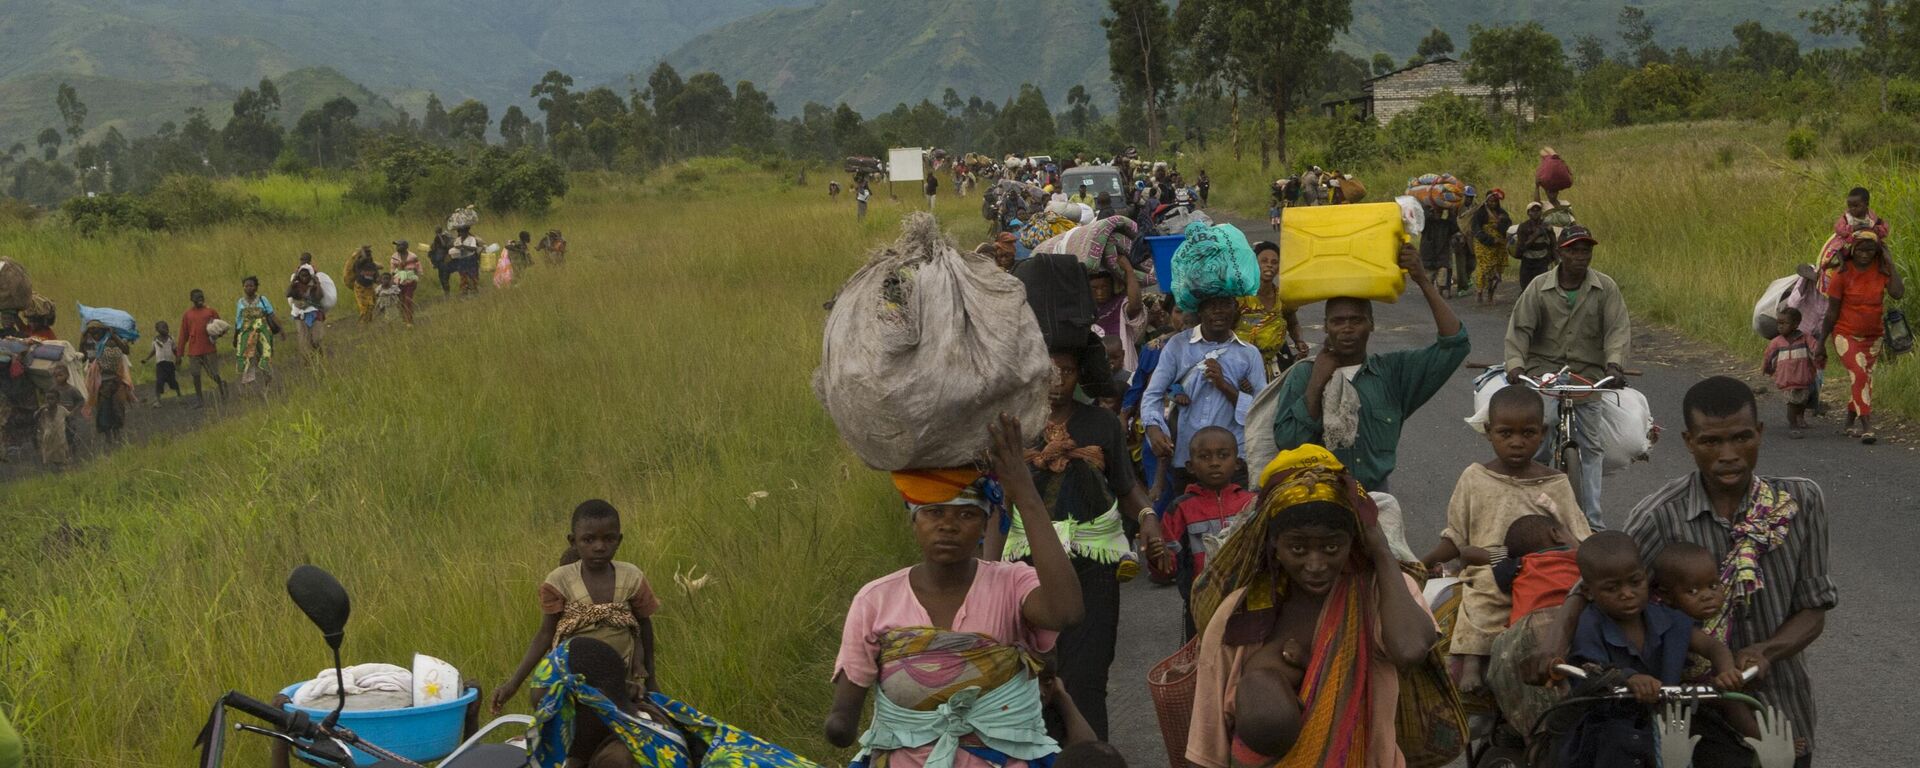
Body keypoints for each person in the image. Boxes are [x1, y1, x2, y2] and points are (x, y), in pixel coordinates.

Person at [1530, 376, 1835, 768]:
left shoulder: (1799, 503)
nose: (1728, 454)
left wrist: (1764, 651)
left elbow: (1813, 607)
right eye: (1710, 442)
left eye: (1741, 438)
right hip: (1689, 718)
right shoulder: (1660, 515)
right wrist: (1554, 642)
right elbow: (1590, 585)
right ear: (1689, 441)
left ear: (1759, 433)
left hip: (1779, 706)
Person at [826, 415, 1085, 768]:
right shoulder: (875, 600)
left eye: (965, 515)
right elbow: (845, 708)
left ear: (985, 522)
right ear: (913, 519)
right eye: (933, 512)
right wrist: (839, 725)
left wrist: (1024, 491)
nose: (947, 525)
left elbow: (1066, 611)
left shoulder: (1011, 585)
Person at [1183, 445, 1440, 768]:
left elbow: (1410, 648)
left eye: (1332, 546)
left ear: (1353, 540)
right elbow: (1207, 741)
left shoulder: (1380, 594)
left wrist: (1382, 552)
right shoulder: (1240, 613)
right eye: (1298, 547)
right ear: (1274, 544)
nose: (1315, 564)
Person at [1002, 352, 1168, 740]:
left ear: (1081, 374)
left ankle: (1092, 757)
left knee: (1088, 674)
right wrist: (988, 565)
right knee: (1030, 674)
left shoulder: (1101, 423)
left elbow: (1126, 487)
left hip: (1093, 566)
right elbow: (997, 501)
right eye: (1049, 371)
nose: (1058, 380)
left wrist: (1148, 519)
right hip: (1028, 571)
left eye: (1068, 370)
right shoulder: (1015, 427)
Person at [1421, 386, 1590, 694]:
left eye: (1527, 433)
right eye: (1505, 433)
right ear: (1488, 432)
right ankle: (1474, 662)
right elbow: (1456, 537)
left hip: (1543, 570)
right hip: (1489, 566)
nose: (1516, 442)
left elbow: (1579, 535)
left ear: (1542, 432)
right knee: (1482, 592)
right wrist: (1422, 563)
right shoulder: (1474, 479)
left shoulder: (1556, 484)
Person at [1268, 243, 1467, 492]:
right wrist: (1317, 383)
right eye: (1338, 321)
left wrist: (1422, 280)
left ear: (1371, 324)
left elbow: (1455, 345)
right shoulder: (1304, 374)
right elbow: (1288, 443)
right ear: (1326, 327)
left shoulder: (1393, 373)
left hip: (1375, 496)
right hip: (1317, 498)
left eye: (1356, 320)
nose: (1347, 328)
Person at [1556, 531, 1745, 767]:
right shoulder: (1590, 624)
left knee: (1727, 753)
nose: (1627, 593)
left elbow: (1712, 646)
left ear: (1646, 578)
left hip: (1670, 718)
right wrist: (1630, 678)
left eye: (1635, 582)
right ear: (1588, 592)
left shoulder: (1669, 617)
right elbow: (1590, 670)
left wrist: (1726, 670)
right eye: (1612, 589)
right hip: (1612, 726)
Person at [1503, 224, 1631, 527]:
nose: (1581, 256)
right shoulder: (1538, 287)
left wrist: (1614, 365)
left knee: (1591, 445)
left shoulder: (1605, 288)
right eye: (1574, 250)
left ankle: (1593, 522)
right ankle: (1530, 510)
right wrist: (1515, 366)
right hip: (1544, 373)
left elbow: (1617, 330)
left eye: (1585, 250)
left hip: (1587, 376)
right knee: (1541, 435)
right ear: (1560, 252)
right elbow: (1520, 329)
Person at [527, 637, 816, 768]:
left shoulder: (617, 761)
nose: (544, 727)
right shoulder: (647, 713)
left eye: (553, 717)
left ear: (594, 708)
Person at [495, 500, 662, 715]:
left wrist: (651, 680)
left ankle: (619, 693)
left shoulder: (632, 577)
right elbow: (546, 634)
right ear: (573, 541)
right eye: (588, 539)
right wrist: (513, 684)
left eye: (608, 539)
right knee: (541, 696)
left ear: (619, 540)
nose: (599, 547)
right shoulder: (559, 581)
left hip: (619, 676)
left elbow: (644, 627)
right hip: (574, 674)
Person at [1141, 295, 1266, 487]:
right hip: (1188, 460)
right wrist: (1153, 427)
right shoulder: (1178, 346)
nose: (1218, 311)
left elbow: (1261, 409)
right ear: (1199, 310)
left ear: (1234, 310)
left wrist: (1224, 386)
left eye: (1225, 304)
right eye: (1211, 305)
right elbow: (1153, 393)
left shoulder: (1249, 354)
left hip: (1234, 462)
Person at [1652, 542, 1764, 741]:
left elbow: (1717, 650)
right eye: (1693, 591)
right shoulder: (1673, 620)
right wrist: (1726, 672)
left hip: (1708, 686)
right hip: (1676, 693)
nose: (1708, 596)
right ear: (1666, 596)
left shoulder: (1718, 616)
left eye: (1713, 586)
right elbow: (1713, 647)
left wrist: (1727, 672)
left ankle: (1759, 740)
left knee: (1733, 701)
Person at [1160, 426, 1255, 639]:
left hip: (1247, 598)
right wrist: (1158, 558)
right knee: (1203, 660)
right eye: (1204, 457)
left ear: (1237, 463)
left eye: (1223, 455)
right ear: (1191, 466)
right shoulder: (1181, 508)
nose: (1214, 463)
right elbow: (1168, 563)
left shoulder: (1251, 503)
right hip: (1201, 601)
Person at [1815, 231, 1905, 444]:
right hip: (1845, 334)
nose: (1865, 254)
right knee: (1859, 374)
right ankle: (1867, 426)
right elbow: (1831, 313)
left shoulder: (1881, 271)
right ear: (1853, 250)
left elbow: (1898, 293)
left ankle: (1848, 422)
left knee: (1864, 378)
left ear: (1877, 252)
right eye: (1861, 250)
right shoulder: (1842, 274)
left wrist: (1890, 263)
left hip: (1874, 337)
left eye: (1870, 250)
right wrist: (1820, 342)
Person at [1237, 241, 1309, 380]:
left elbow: (1292, 323)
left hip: (1276, 368)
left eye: (1274, 262)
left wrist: (1299, 341)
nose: (1269, 264)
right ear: (1253, 264)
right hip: (1242, 369)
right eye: (1264, 261)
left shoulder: (1283, 298)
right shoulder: (1240, 298)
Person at [1762, 306, 1816, 437]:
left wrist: (1819, 359)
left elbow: (1815, 349)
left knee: (1802, 400)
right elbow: (1768, 356)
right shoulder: (1776, 342)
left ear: (1796, 324)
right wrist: (1767, 369)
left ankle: (1800, 417)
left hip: (1803, 376)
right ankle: (1793, 426)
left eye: (1784, 323)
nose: (1780, 327)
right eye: (1778, 323)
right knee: (1792, 403)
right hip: (1787, 379)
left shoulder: (1805, 338)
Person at [1088, 267, 1144, 375]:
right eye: (1094, 288)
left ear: (1112, 286)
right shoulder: (1084, 309)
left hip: (1123, 370)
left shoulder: (1121, 303)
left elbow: (1136, 306)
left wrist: (1128, 269)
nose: (1099, 292)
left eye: (1104, 287)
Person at [179, 289, 226, 404]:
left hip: (209, 349)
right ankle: (199, 399)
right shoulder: (187, 315)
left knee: (213, 374)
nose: (200, 299)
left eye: (201, 296)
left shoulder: (211, 312)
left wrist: (218, 333)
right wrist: (179, 354)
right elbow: (183, 335)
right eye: (197, 297)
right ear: (191, 299)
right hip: (194, 351)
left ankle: (222, 387)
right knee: (195, 375)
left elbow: (221, 327)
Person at [85, 342, 136, 444]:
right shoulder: (96, 342)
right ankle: (109, 436)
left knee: (117, 408)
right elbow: (90, 358)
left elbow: (126, 350)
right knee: (104, 409)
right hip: (102, 384)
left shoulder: (115, 340)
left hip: (117, 381)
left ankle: (116, 434)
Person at [1470, 189, 1513, 304]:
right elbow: (1476, 230)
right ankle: (1479, 292)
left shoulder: (1502, 213)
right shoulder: (1480, 213)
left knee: (1496, 271)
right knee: (1484, 268)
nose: (1493, 203)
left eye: (1495, 201)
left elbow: (1508, 227)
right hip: (1484, 245)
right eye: (1491, 201)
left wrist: (1499, 224)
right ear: (1486, 200)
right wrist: (1491, 240)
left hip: (1499, 246)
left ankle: (1490, 295)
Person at [234, 277, 276, 387]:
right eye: (246, 286)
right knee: (247, 357)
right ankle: (248, 384)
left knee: (265, 355)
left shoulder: (263, 300)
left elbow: (271, 314)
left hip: (262, 332)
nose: (248, 288)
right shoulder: (240, 302)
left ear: (256, 287)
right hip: (247, 333)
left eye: (251, 285)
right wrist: (236, 336)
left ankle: (268, 379)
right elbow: (238, 320)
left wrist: (281, 330)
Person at [1513, 202, 1556, 289]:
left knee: (1541, 288)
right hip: (1528, 261)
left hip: (1542, 261)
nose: (1535, 212)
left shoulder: (1546, 226)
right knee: (1526, 288)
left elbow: (1553, 243)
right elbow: (1521, 248)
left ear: (1541, 212)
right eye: (1533, 210)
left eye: (1538, 210)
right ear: (1528, 213)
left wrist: (1554, 258)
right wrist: (1536, 235)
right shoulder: (1523, 227)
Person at [285, 271, 327, 356]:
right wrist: (293, 282)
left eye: (306, 276)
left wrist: (318, 283)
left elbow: (320, 296)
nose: (304, 278)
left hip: (315, 314)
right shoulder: (296, 286)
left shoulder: (314, 287)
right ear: (299, 277)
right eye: (302, 276)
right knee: (303, 339)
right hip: (300, 315)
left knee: (316, 339)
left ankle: (320, 355)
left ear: (310, 276)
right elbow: (287, 294)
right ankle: (307, 361)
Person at [141, 320, 181, 405]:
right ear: (157, 330)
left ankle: (179, 395)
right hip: (160, 364)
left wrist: (178, 358)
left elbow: (175, 350)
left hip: (169, 364)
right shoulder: (155, 340)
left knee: (173, 381)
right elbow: (153, 351)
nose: (165, 329)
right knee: (159, 382)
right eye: (163, 327)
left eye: (166, 327)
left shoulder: (171, 338)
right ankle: (158, 400)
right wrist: (146, 359)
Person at [390, 240, 421, 326]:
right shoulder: (394, 256)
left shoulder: (413, 256)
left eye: (399, 246)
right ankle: (404, 318)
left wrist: (416, 277)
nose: (397, 247)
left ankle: (409, 320)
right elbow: (392, 271)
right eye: (397, 246)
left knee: (408, 300)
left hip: (410, 281)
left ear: (405, 247)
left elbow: (418, 268)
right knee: (400, 301)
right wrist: (399, 269)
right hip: (398, 282)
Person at [450, 226, 483, 296]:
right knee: (463, 275)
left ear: (467, 232)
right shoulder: (458, 239)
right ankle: (464, 291)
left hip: (471, 259)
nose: (462, 233)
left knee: (472, 275)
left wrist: (463, 246)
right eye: (460, 232)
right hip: (462, 259)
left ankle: (474, 291)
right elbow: (455, 246)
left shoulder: (471, 239)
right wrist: (457, 247)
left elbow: (474, 248)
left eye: (463, 231)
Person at [429, 228, 456, 296]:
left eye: (437, 231)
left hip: (445, 262)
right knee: (441, 278)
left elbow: (444, 245)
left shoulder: (445, 237)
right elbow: (433, 247)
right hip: (439, 263)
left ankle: (447, 294)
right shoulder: (437, 238)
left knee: (445, 279)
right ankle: (446, 293)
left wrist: (439, 236)